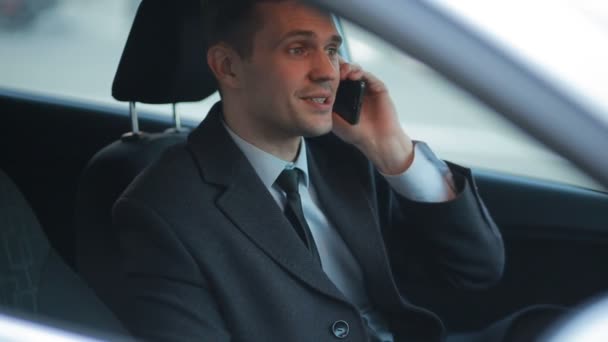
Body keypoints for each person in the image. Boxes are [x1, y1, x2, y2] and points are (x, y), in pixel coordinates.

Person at [112, 0, 522, 341]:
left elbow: (477, 270)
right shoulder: (163, 210)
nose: (328, 71)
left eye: (331, 49)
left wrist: (393, 150)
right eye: (297, 49)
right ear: (228, 66)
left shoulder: (347, 155)